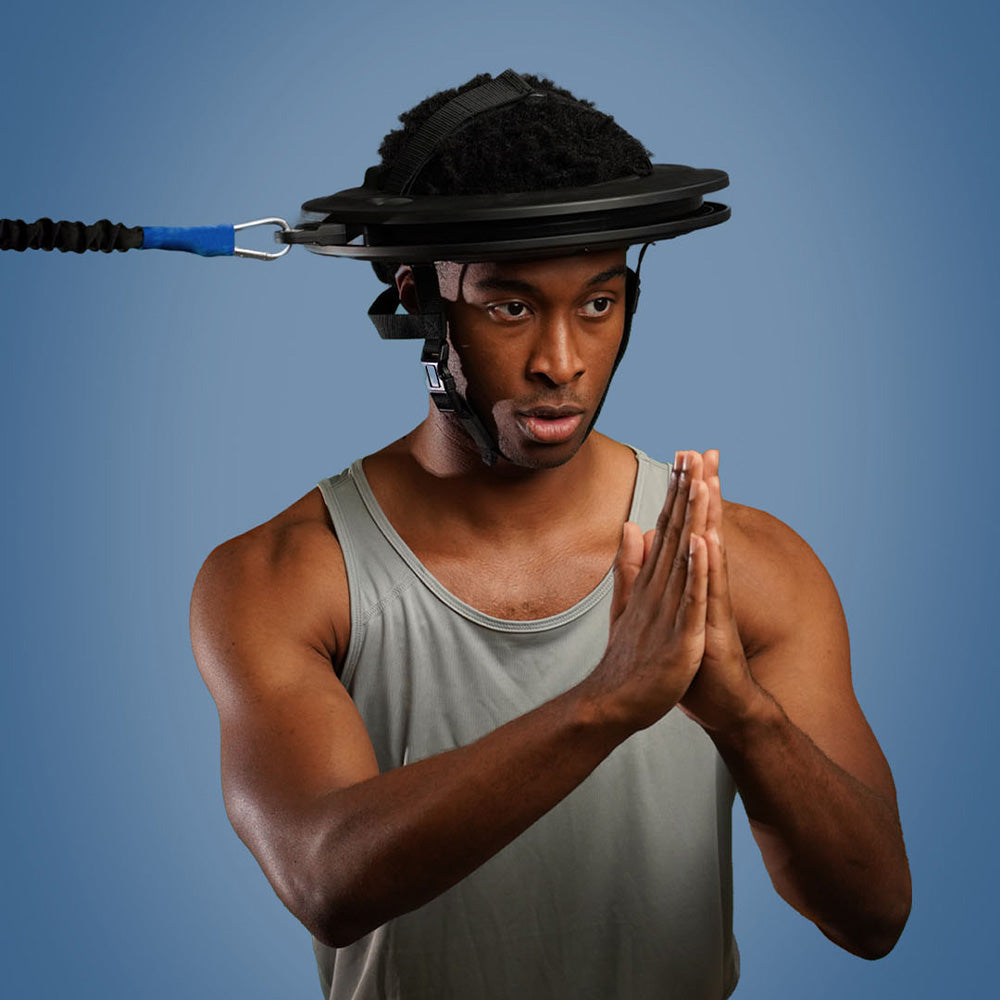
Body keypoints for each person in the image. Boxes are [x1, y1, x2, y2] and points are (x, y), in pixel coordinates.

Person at [190, 72, 911, 999]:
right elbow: (328, 882)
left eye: (597, 304)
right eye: (511, 307)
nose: (561, 362)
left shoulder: (747, 566)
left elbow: (875, 915)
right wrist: (604, 703)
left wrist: (741, 713)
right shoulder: (286, 575)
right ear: (419, 301)